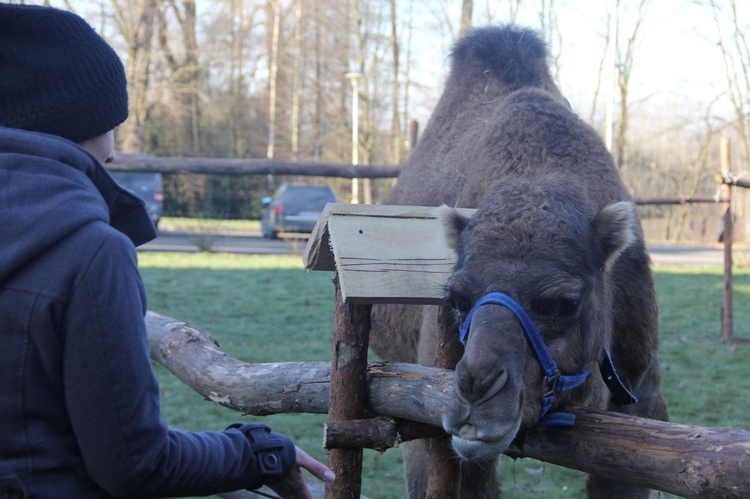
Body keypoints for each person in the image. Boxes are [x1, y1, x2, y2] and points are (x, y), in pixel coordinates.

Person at [0, 4, 334, 498]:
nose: (112, 150)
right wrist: (257, 452)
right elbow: (135, 464)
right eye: (107, 123)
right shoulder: (89, 253)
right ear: (64, 121)